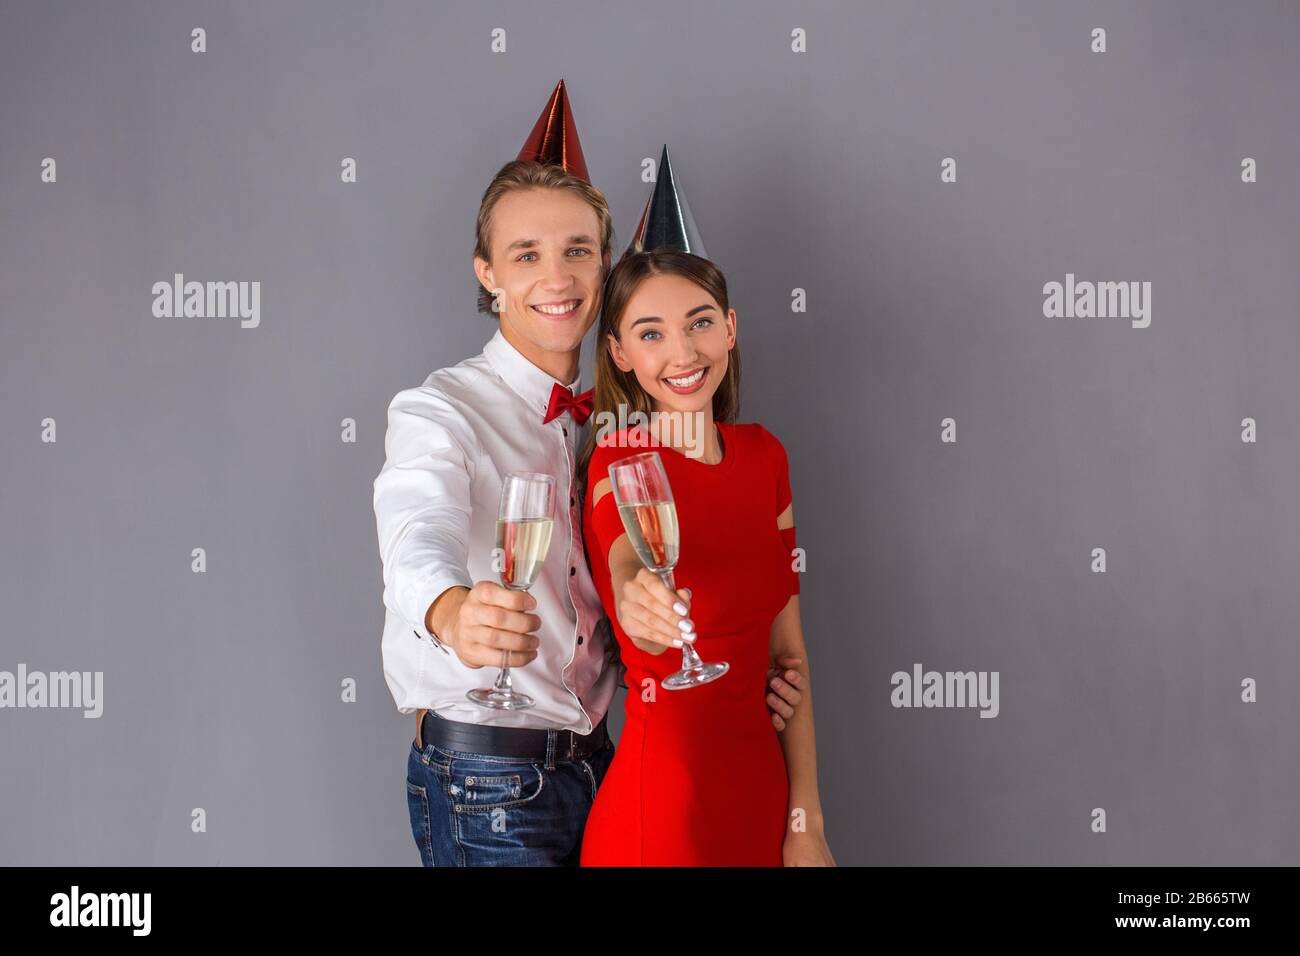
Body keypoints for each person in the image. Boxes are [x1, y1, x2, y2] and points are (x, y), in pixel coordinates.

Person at [372, 85, 804, 866]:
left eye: (577, 249)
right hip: (488, 776)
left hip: (597, 763)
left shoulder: (622, 424)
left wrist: (748, 682)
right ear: (487, 274)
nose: (557, 276)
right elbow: (415, 527)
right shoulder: (441, 410)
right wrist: (448, 609)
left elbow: (708, 533)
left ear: (604, 263)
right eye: (526, 255)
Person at [577, 155, 832, 865]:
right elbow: (627, 556)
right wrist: (638, 598)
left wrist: (806, 823)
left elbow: (790, 658)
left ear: (730, 328)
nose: (682, 351)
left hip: (763, 798)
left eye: (699, 323)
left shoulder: (765, 457)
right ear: (621, 354)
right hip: (664, 812)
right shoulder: (618, 457)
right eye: (651, 333)